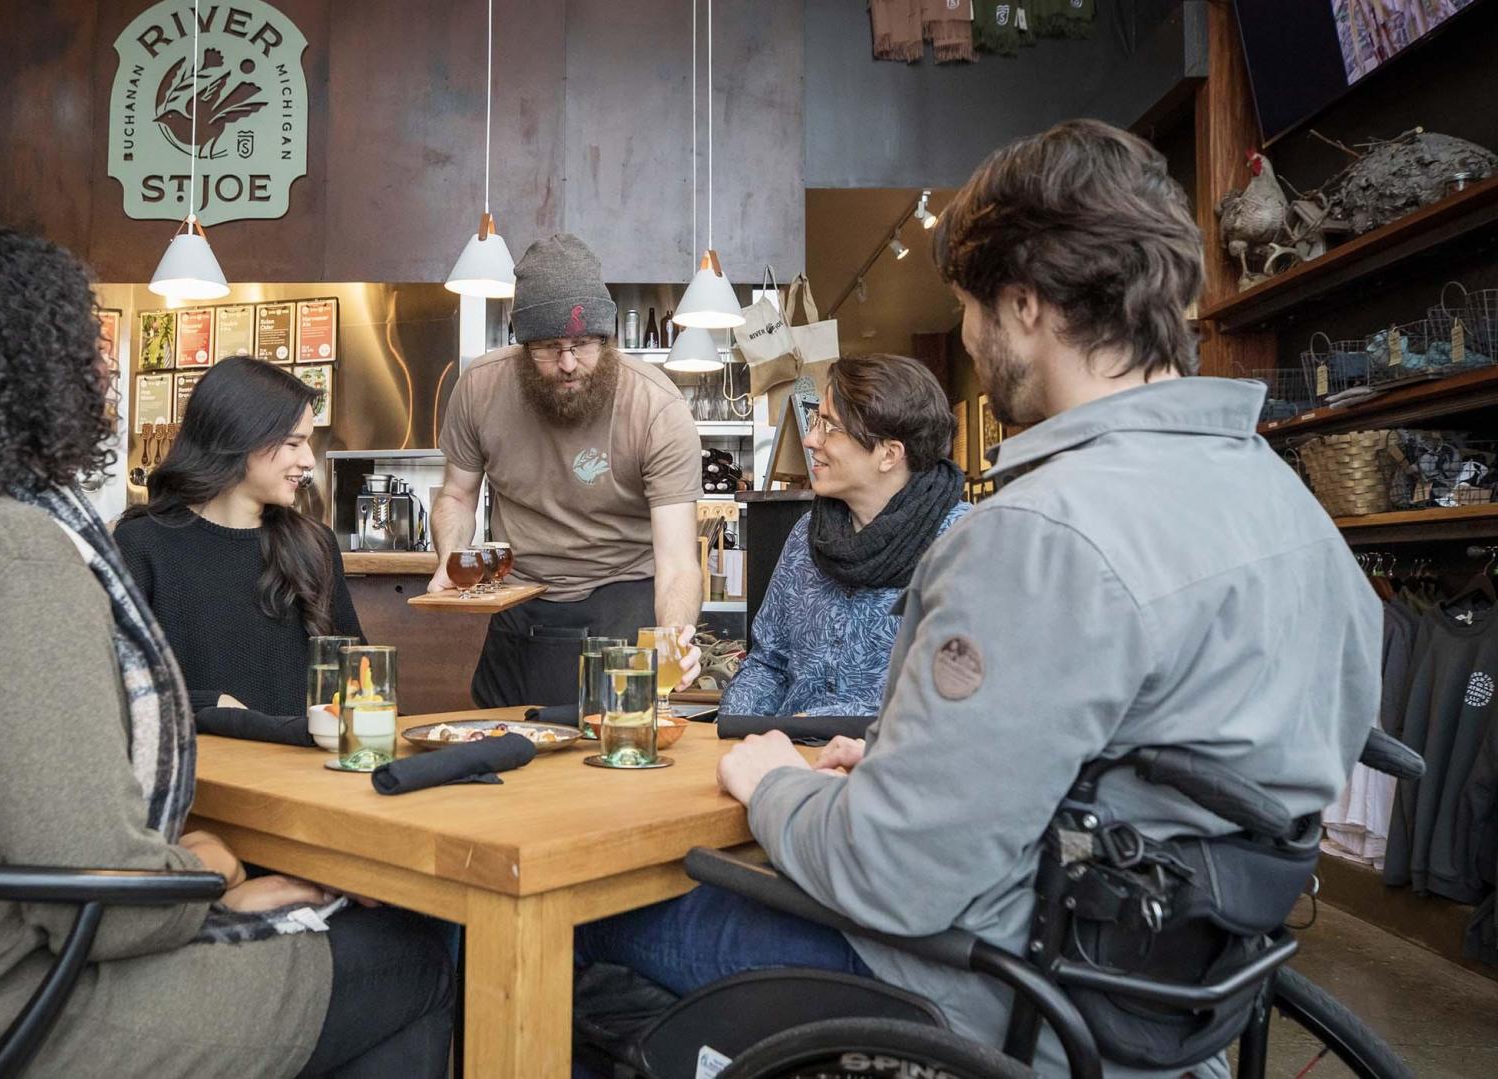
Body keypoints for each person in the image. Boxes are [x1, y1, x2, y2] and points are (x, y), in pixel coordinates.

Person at [578, 119, 1380, 1075]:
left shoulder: (1038, 536)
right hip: (1176, 1007)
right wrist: (904, 756)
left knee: (584, 927)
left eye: (969, 306)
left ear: (1026, 304)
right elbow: (1138, 763)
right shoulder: (1293, 510)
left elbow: (895, 874)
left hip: (996, 995)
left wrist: (772, 784)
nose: (965, 333)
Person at [0, 224, 452, 1078]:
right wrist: (209, 872)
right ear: (36, 370)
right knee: (414, 947)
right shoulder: (9, 554)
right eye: (84, 351)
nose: (102, 379)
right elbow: (105, 901)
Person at [430, 233, 704, 707]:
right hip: (516, 599)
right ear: (522, 344)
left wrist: (672, 637)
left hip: (620, 594)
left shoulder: (656, 407)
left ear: (607, 337)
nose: (569, 363)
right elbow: (457, 495)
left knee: (612, 754)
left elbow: (678, 561)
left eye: (584, 342)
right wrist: (450, 561)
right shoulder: (479, 388)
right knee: (501, 750)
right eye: (549, 347)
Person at [719, 354, 968, 719]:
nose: (809, 439)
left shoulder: (963, 544)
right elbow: (768, 663)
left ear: (889, 454)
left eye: (830, 427)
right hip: (793, 760)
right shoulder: (806, 535)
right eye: (816, 421)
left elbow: (961, 693)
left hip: (896, 769)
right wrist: (733, 727)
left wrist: (824, 722)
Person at [116, 358, 362, 724]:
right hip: (199, 772)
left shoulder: (315, 544)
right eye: (294, 443)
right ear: (238, 438)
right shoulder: (141, 545)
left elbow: (359, 676)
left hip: (302, 775)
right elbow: (115, 686)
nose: (309, 459)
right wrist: (209, 705)